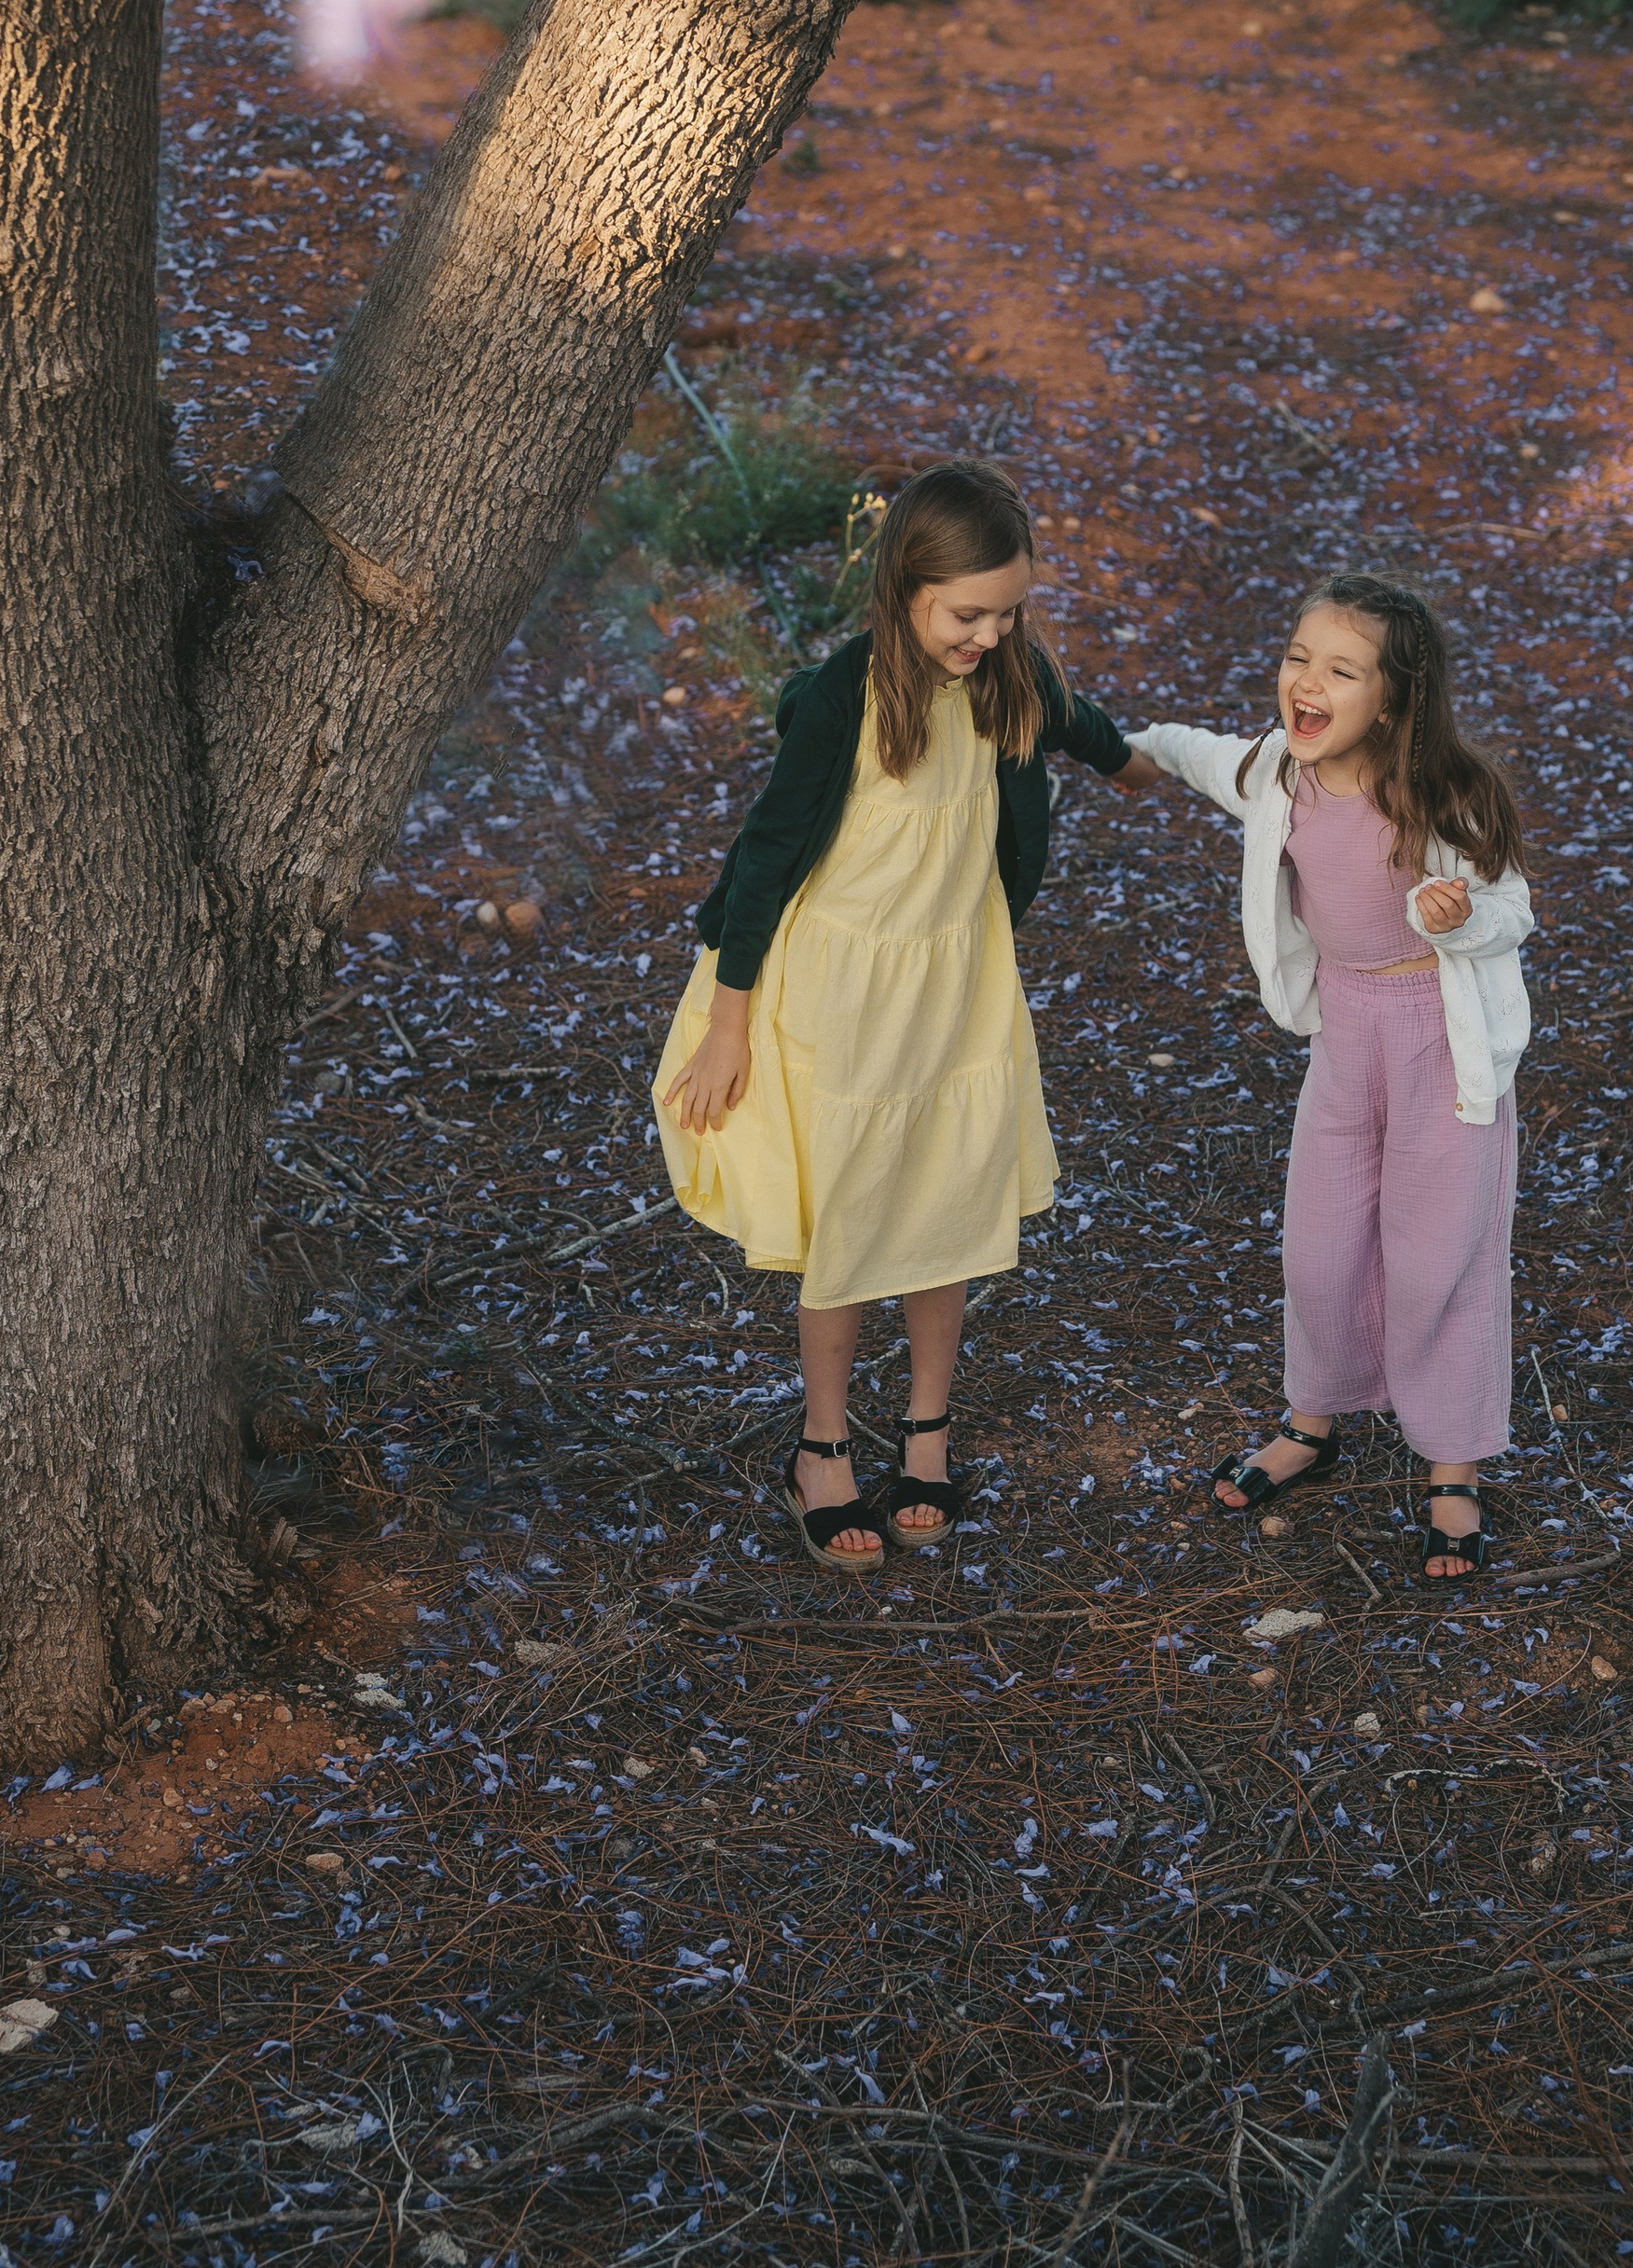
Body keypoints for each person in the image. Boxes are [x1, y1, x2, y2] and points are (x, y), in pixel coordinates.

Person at [655, 461, 1142, 1572]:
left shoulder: (1012, 680)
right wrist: (727, 1024)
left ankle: (928, 1431)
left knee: (944, 1202)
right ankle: (821, 1446)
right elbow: (765, 857)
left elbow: (1104, 741)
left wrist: (1217, 772)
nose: (990, 633)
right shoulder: (841, 701)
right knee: (850, 1215)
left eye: (1008, 611)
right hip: (839, 1002)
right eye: (967, 614)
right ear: (904, 589)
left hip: (953, 992)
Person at [1129, 575, 1533, 1586]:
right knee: (1320, 1244)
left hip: (1438, 1042)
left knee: (1439, 1255)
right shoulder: (1277, 770)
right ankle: (1313, 1423)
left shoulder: (1441, 797)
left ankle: (1452, 1466)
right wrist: (1127, 744)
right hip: (1346, 1038)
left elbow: (1511, 909)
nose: (1307, 683)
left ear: (1393, 702)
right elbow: (1197, 753)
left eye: (1342, 671)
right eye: (1297, 659)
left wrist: (1461, 920)